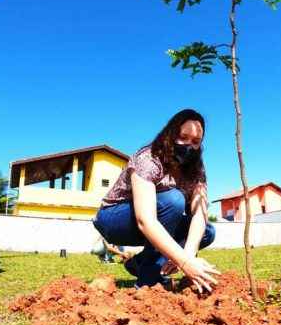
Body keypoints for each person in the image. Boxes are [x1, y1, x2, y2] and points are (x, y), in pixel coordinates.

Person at [92, 109, 220, 292]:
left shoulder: (196, 168)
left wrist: (188, 254)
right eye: (183, 137)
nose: (188, 146)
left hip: (157, 218)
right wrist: (183, 262)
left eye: (195, 142)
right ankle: (149, 280)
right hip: (114, 219)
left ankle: (139, 264)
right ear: (170, 134)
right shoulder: (149, 158)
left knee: (207, 232)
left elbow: (200, 212)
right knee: (173, 200)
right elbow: (146, 221)